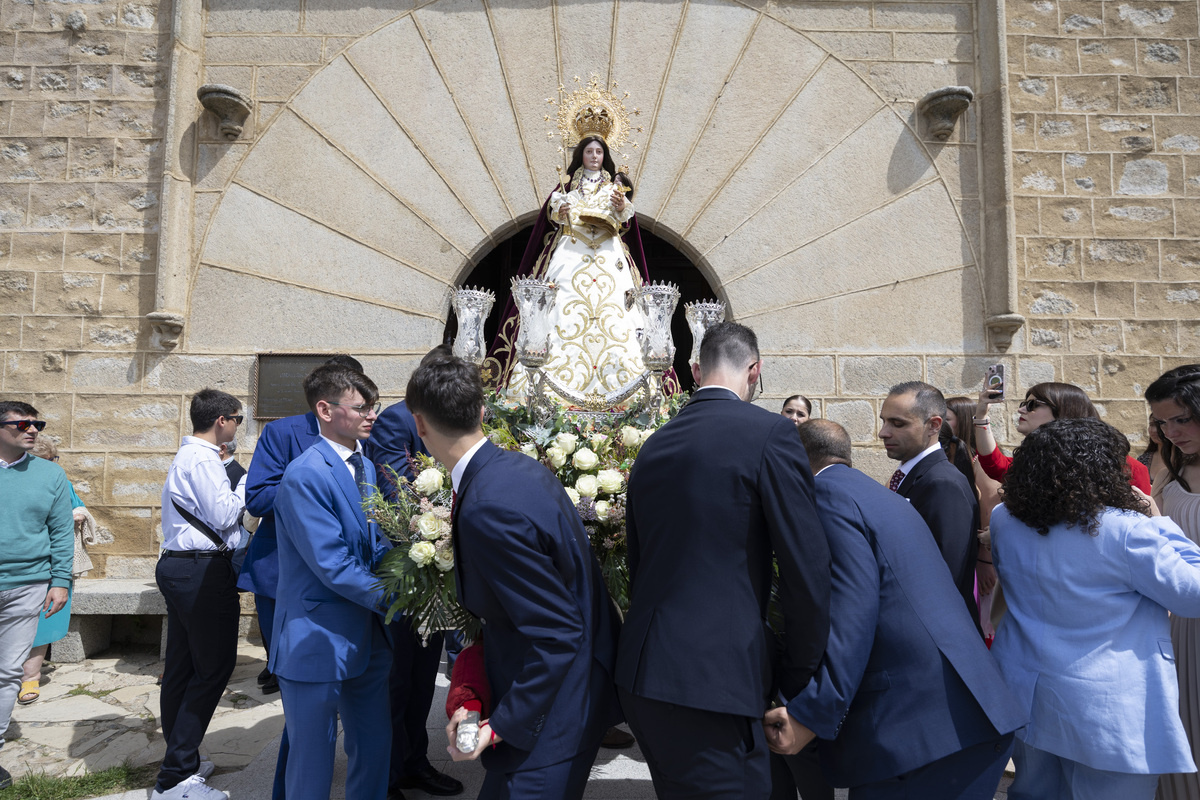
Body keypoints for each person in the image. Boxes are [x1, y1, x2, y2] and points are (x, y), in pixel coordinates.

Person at [615, 322, 832, 799]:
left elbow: (638, 559)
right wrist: (798, 687)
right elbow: (806, 570)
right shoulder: (771, 433)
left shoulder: (654, 446)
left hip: (642, 676)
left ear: (695, 370)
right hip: (715, 683)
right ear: (755, 371)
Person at [767, 420, 1024, 799]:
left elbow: (853, 612)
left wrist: (812, 714)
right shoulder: (876, 495)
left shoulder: (825, 496)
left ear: (793, 459)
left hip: (920, 737)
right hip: (963, 720)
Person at [407, 355, 621, 800]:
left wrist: (501, 726)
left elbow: (559, 631)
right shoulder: (517, 468)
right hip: (566, 685)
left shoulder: (490, 506)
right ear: (481, 412)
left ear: (420, 425)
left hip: (554, 710)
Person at [990, 417, 1200, 800]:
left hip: (1027, 688)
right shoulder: (1128, 529)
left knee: (1034, 792)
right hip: (1106, 705)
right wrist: (1160, 522)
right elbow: (1193, 595)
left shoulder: (1004, 518)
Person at [242, 354, 362, 799]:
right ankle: (291, 786)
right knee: (305, 702)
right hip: (287, 578)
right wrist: (317, 497)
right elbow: (257, 497)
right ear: (327, 403)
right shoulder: (283, 432)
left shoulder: (364, 442)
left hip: (349, 582)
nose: (366, 409)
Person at [271, 364, 392, 800]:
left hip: (366, 632)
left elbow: (372, 546)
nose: (371, 415)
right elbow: (333, 563)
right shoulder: (306, 474)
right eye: (361, 407)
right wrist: (397, 597)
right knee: (312, 759)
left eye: (373, 407)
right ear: (325, 409)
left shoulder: (365, 466)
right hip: (316, 636)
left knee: (375, 744)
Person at [365, 343, 464, 799]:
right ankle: (388, 774)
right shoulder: (397, 419)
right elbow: (394, 486)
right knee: (399, 677)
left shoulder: (456, 420)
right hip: (408, 563)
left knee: (425, 675)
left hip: (441, 568)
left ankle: (415, 760)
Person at [485, 134, 651, 396]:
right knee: (560, 310)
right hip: (571, 257)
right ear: (581, 156)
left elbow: (626, 223)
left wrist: (621, 207)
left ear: (604, 156)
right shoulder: (566, 189)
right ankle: (546, 384)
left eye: (598, 152)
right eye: (589, 152)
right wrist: (559, 213)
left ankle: (623, 383)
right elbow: (550, 221)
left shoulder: (615, 189)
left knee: (617, 314)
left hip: (608, 258)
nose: (594, 157)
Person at [154, 389, 246, 800]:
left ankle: (182, 758)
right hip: (201, 571)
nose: (237, 427)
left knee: (182, 667)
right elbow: (226, 514)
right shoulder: (205, 458)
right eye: (238, 420)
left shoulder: (185, 455)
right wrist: (248, 484)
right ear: (222, 420)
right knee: (213, 669)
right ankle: (175, 779)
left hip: (180, 565)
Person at [0, 401, 73, 791]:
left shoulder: (51, 474)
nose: (32, 430)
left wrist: (59, 580)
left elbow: (61, 531)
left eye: (37, 424)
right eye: (22, 424)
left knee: (9, 671)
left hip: (27, 585)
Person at [879, 382, 981, 630]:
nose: (883, 432)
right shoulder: (914, 475)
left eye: (898, 423)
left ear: (934, 425)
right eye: (884, 421)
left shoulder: (943, 484)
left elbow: (943, 579)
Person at [1145, 364, 1200, 800]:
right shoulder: (1167, 471)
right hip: (1182, 623)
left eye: (1181, 418)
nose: (1171, 431)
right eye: (1164, 422)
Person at [18, 437, 96, 706]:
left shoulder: (59, 481)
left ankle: (31, 676)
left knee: (43, 621)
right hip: (17, 565)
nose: (55, 465)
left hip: (52, 564)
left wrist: (77, 514)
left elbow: (78, 506)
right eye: (50, 460)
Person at [973, 380, 1151, 493]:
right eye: (1024, 404)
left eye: (1032, 404)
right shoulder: (1036, 461)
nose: (1021, 409)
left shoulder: (1129, 468)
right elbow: (996, 465)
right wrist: (981, 416)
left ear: (1064, 412)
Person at [1139, 413, 1167, 484]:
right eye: (1151, 425)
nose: (1154, 430)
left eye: (1159, 425)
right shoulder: (1143, 459)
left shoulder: (1185, 461)